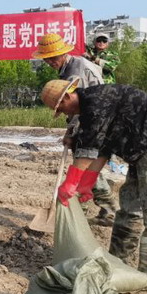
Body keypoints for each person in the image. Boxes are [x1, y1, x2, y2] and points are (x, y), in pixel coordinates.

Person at [42, 79, 147, 284]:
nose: (64, 113)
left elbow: (90, 146)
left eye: (61, 108)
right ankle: (118, 264)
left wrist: (71, 182)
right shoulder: (92, 108)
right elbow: (102, 149)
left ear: (67, 96)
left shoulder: (97, 101)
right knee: (129, 211)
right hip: (140, 152)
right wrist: (86, 183)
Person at [33, 33, 118, 223]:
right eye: (47, 59)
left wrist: (73, 132)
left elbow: (81, 108)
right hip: (92, 122)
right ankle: (105, 210)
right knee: (87, 168)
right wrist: (70, 131)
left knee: (83, 167)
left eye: (53, 57)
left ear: (63, 53)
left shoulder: (75, 71)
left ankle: (94, 211)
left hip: (95, 125)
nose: (50, 62)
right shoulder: (70, 67)